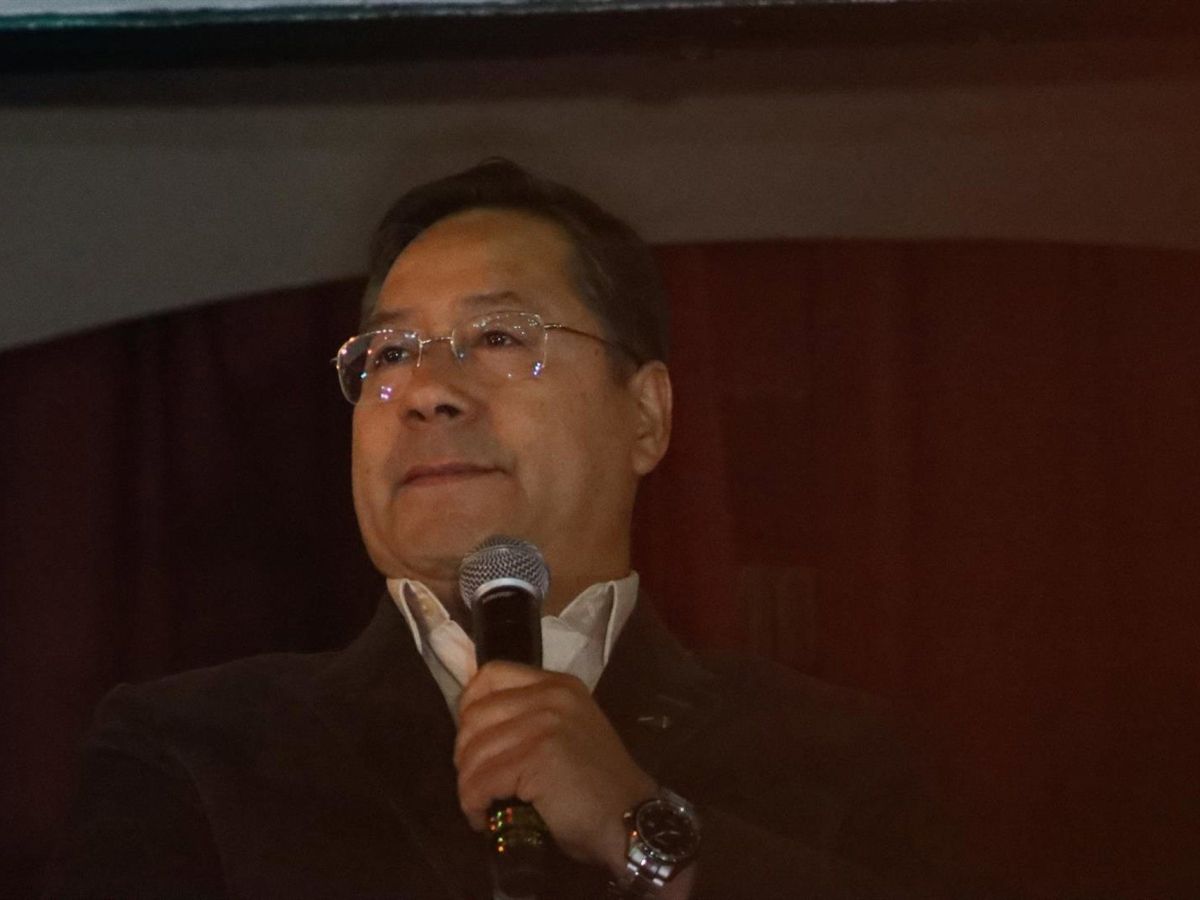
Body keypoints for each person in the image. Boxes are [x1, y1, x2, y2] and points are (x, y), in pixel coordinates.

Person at [47, 160, 954, 899]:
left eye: (500, 337)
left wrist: (645, 836)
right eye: (389, 354)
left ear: (646, 416)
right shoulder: (195, 753)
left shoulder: (839, 760)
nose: (428, 392)